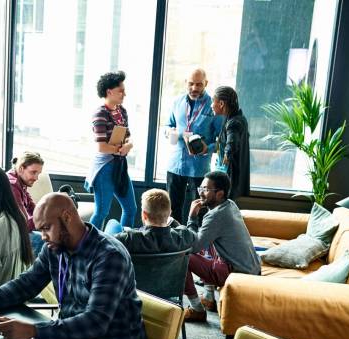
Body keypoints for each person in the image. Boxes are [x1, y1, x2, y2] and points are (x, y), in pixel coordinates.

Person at [0, 193, 147, 339]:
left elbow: (95, 322)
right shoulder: (55, 248)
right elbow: (26, 284)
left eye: (46, 228)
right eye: (40, 230)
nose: (43, 236)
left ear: (67, 217)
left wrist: (33, 330)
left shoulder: (109, 256)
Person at [183, 171, 261, 322]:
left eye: (206, 189)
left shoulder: (215, 216)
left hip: (238, 272)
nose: (201, 193)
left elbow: (193, 247)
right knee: (208, 241)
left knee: (182, 257)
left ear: (220, 194)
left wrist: (191, 218)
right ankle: (208, 297)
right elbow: (205, 239)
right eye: (201, 188)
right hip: (252, 268)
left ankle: (197, 309)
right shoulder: (230, 204)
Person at [109, 189, 203, 312]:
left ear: (144, 214)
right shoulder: (184, 237)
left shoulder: (128, 239)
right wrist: (190, 218)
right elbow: (192, 236)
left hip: (135, 294)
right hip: (168, 295)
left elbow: (105, 247)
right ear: (170, 213)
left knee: (113, 224)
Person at [165, 68, 221, 223]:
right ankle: (174, 243)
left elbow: (222, 140)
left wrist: (207, 148)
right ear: (185, 83)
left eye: (199, 84)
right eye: (191, 84)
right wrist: (169, 132)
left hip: (199, 167)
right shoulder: (177, 102)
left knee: (200, 209)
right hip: (176, 163)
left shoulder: (213, 106)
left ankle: (197, 245)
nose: (194, 88)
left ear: (206, 83)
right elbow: (167, 125)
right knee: (171, 208)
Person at [85, 71, 137, 230]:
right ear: (109, 91)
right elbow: (102, 147)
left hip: (120, 165)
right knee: (102, 212)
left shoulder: (122, 111)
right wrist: (120, 149)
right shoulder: (100, 114)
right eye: (121, 90)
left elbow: (128, 136)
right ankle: (89, 247)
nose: (124, 94)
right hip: (105, 168)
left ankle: (123, 243)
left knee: (131, 209)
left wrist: (128, 146)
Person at [211, 86, 250, 200]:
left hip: (230, 177)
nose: (211, 105)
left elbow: (232, 143)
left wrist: (227, 154)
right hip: (233, 176)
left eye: (213, 102)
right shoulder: (237, 118)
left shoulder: (234, 123)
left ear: (221, 103)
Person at [7, 151, 45, 253]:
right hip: (8, 233)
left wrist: (47, 212)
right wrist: (45, 217)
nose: (36, 178)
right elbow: (24, 224)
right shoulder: (12, 185)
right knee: (44, 241)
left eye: (38, 174)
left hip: (17, 229)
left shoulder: (20, 182)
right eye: (33, 172)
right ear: (21, 168)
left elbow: (33, 208)